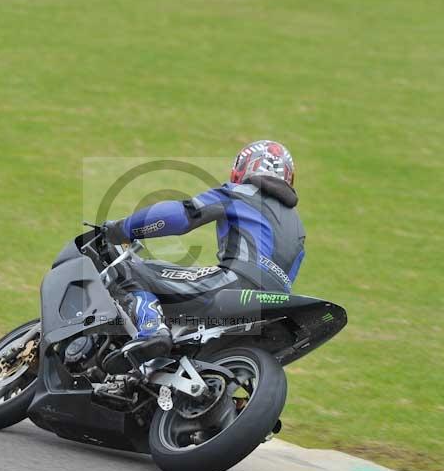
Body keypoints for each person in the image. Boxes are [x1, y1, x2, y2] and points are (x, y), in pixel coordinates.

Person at [103, 140, 306, 365]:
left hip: (234, 283)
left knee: (128, 270)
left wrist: (122, 229)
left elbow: (179, 217)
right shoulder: (298, 228)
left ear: (242, 168)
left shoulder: (238, 193)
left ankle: (151, 331)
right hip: (275, 303)